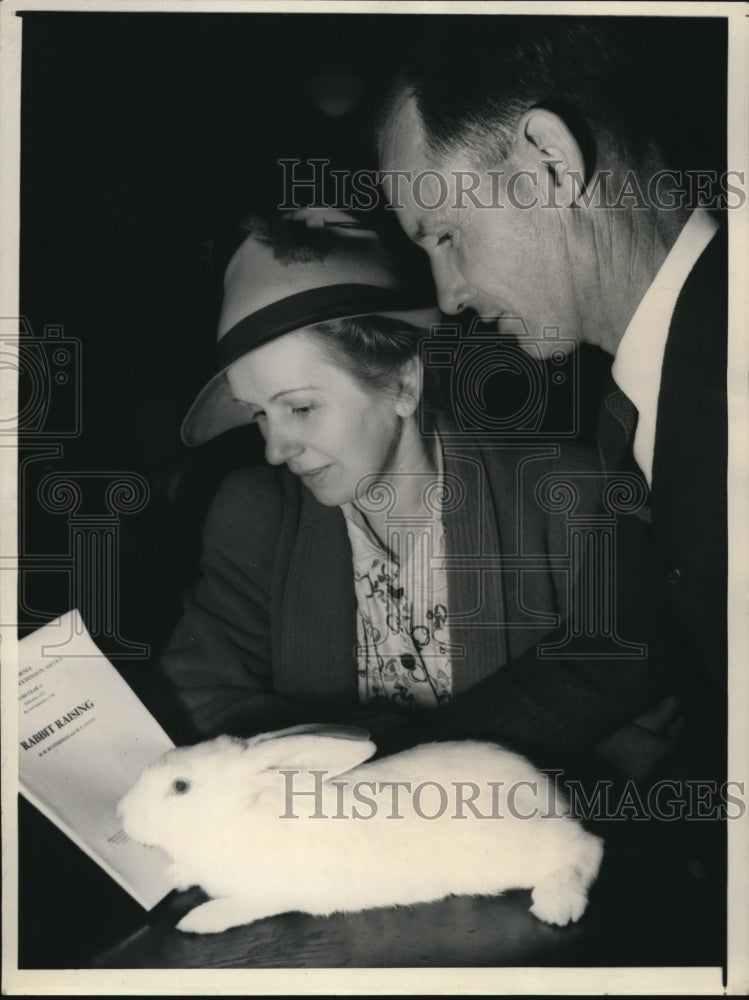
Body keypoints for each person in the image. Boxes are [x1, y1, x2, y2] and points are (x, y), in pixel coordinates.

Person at [376, 17, 727, 785]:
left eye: (445, 236)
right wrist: (369, 779)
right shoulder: (638, 397)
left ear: (549, 163)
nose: (448, 296)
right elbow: (609, 654)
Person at [159, 211, 636, 760]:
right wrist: (383, 760)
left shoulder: (564, 497)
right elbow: (195, 695)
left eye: (301, 408)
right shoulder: (257, 515)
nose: (274, 449)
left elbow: (637, 719)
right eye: (260, 414)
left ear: (404, 383)